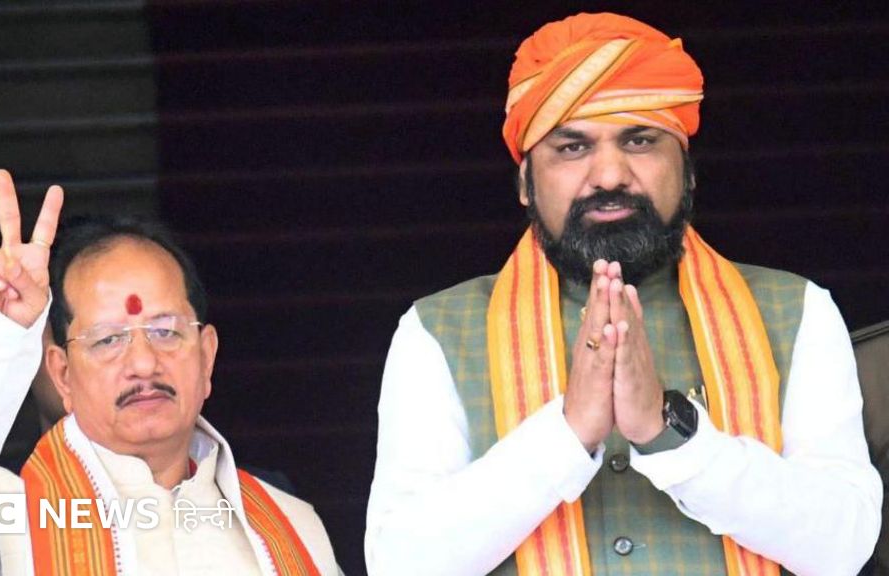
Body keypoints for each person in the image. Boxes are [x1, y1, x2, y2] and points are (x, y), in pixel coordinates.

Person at [365, 12, 881, 576]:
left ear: (687, 171)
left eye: (639, 141)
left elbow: (843, 546)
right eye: (572, 147)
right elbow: (400, 564)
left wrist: (670, 433)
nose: (609, 175)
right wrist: (567, 432)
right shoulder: (437, 329)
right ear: (525, 182)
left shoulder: (795, 309)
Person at [0, 170, 341, 575]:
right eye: (108, 340)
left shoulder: (290, 523)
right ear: (62, 375)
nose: (143, 363)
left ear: (207, 356)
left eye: (166, 331)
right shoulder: (5, 518)